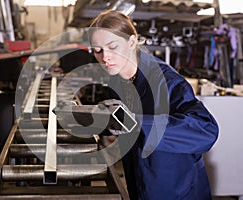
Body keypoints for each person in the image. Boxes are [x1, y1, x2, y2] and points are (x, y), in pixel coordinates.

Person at [88, 10, 219, 200]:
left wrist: (138, 123)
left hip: (177, 190)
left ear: (131, 42)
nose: (105, 56)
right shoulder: (118, 83)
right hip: (141, 184)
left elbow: (206, 130)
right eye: (97, 50)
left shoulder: (167, 82)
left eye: (112, 46)